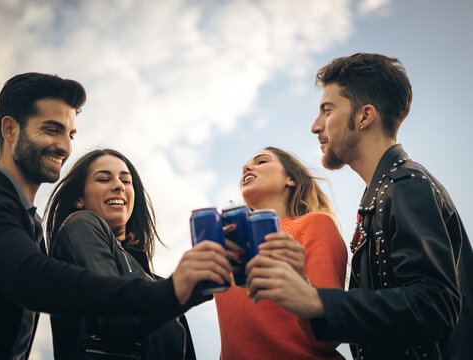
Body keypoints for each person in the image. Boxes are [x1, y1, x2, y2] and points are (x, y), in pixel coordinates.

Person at [0, 72, 231, 359]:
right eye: (51, 129)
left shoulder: (30, 227)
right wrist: (171, 291)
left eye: (70, 133)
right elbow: (31, 278)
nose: (65, 146)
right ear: (10, 129)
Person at [246, 53, 473, 360]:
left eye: (327, 110)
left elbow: (436, 305)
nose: (316, 126)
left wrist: (317, 300)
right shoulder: (380, 195)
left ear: (364, 116)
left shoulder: (405, 184)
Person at [44, 148, 198, 359]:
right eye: (104, 179)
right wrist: (185, 288)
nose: (118, 186)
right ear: (79, 199)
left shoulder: (157, 286)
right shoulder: (80, 224)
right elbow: (114, 314)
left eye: (126, 181)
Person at [215, 146, 347, 359]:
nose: (246, 167)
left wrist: (298, 281)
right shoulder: (228, 244)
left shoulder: (315, 223)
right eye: (245, 167)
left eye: (262, 161)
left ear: (290, 179)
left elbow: (330, 330)